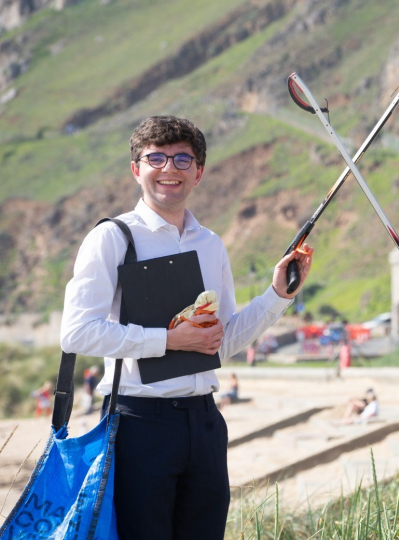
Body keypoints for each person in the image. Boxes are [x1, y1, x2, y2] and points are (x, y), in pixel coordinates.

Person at [60, 116, 314, 540]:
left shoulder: (211, 244)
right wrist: (167, 340)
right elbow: (77, 332)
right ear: (136, 168)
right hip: (138, 425)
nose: (169, 169)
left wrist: (278, 296)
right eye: (155, 157)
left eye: (182, 159)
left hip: (205, 423)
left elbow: (223, 341)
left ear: (199, 172)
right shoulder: (112, 238)